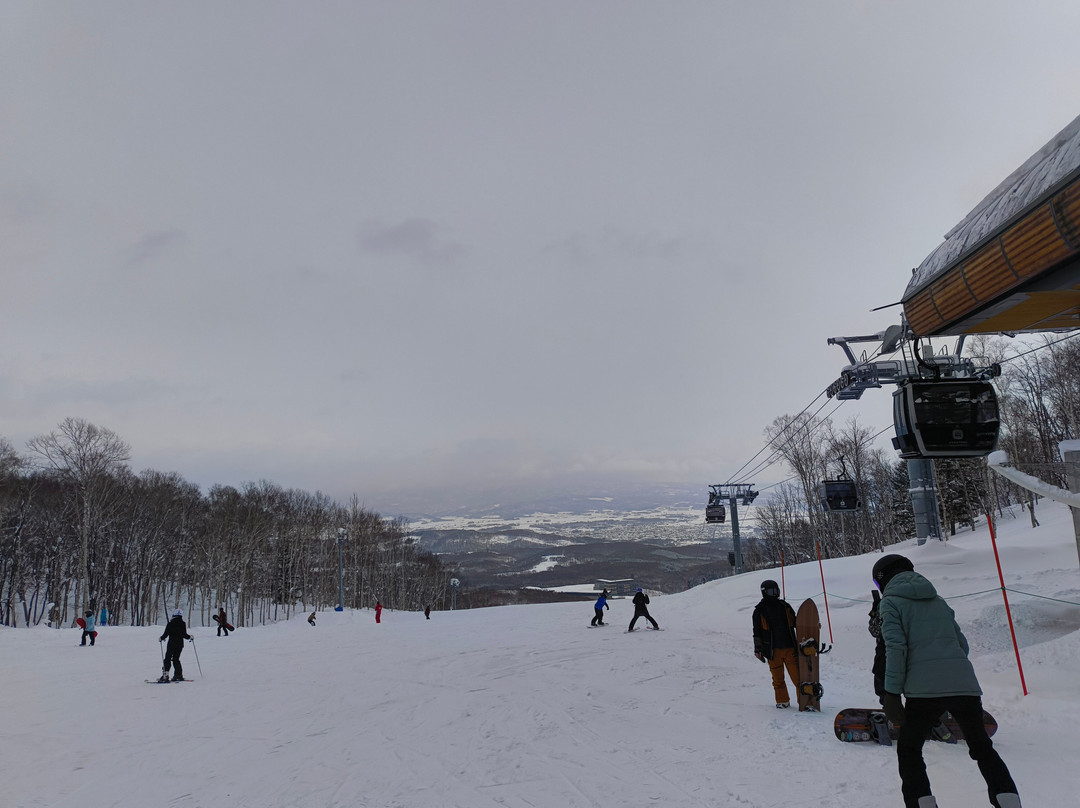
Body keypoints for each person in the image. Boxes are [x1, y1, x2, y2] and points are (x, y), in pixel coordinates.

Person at [874, 554, 1021, 808]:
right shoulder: (937, 600)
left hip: (923, 693)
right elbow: (961, 644)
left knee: (910, 751)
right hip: (964, 686)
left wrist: (891, 693)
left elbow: (895, 649)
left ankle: (922, 804)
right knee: (982, 748)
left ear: (882, 580)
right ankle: (1008, 801)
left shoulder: (890, 603)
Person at [752, 579, 798, 708]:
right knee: (778, 679)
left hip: (790, 648)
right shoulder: (759, 611)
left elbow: (796, 622)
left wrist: (810, 626)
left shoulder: (785, 606)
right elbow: (757, 632)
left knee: (798, 678)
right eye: (772, 591)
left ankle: (806, 701)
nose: (775, 594)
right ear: (765, 592)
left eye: (776, 591)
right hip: (772, 651)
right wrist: (758, 649)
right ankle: (782, 701)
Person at [159, 609, 192, 682]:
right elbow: (184, 635)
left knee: (167, 659)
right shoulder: (183, 623)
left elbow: (166, 634)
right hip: (180, 645)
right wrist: (190, 637)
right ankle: (178, 675)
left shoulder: (170, 623)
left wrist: (161, 638)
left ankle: (165, 676)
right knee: (176, 659)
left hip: (171, 644)